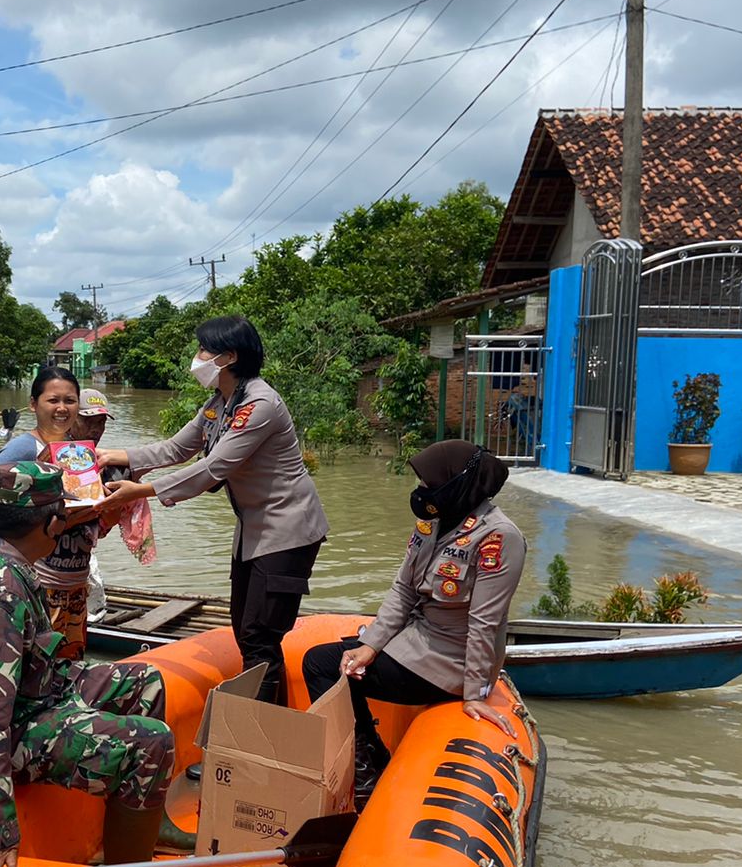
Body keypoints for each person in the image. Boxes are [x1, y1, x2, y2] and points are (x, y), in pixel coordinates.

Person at [0, 460, 176, 867]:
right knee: (153, 742)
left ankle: (144, 821)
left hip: (39, 694)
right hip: (16, 729)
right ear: (52, 524)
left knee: (146, 681)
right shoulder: (3, 593)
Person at [99, 315, 328, 706]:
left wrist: (141, 490)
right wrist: (113, 455)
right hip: (255, 531)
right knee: (247, 630)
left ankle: (263, 735)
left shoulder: (259, 404)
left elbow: (213, 468)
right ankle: (273, 722)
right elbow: (176, 448)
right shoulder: (220, 403)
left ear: (228, 357)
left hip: (288, 531)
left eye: (203, 350)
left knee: (259, 635)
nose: (197, 357)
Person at [300, 440, 525, 809]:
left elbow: (486, 622)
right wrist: (370, 645)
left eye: (428, 482)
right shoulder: (433, 522)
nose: (421, 491)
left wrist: (474, 693)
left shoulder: (499, 537)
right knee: (343, 660)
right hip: (416, 640)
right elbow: (404, 590)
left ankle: (364, 774)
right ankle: (371, 759)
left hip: (446, 660)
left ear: (456, 483)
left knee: (320, 664)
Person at [0, 367, 104, 659]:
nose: (62, 408)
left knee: (68, 671)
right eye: (53, 400)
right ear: (33, 403)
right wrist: (56, 521)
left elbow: (86, 518)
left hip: (74, 585)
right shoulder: (21, 450)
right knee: (34, 671)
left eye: (70, 400)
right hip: (35, 583)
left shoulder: (77, 452)